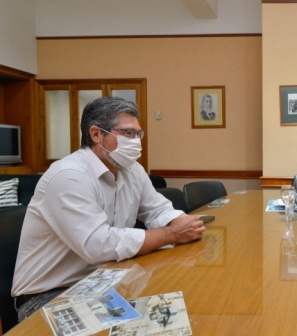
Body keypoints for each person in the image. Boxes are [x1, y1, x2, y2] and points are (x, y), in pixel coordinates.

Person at [12, 97, 206, 321]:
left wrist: (179, 222)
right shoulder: (69, 175)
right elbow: (97, 245)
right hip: (49, 295)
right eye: (127, 134)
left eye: (138, 134)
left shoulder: (132, 170)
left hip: (104, 279)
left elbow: (157, 209)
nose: (136, 142)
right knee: (150, 325)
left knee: (172, 313)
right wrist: (170, 234)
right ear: (96, 134)